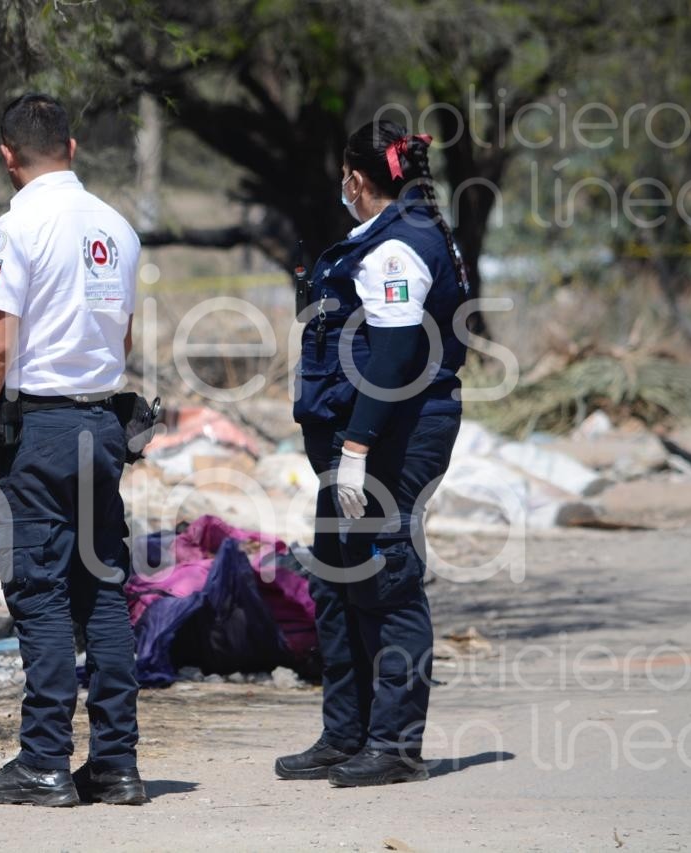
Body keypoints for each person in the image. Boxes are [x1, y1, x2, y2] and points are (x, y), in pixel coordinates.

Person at [0, 93, 146, 807]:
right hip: (103, 427)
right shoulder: (118, 227)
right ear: (73, 145)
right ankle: (118, 762)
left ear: (7, 155)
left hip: (42, 434)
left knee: (40, 591)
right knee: (102, 590)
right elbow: (120, 338)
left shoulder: (17, 223)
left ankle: (43, 762)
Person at [276, 119, 468, 787]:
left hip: (395, 432)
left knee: (387, 578)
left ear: (356, 178)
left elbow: (391, 354)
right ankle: (347, 731)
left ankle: (395, 743)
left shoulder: (400, 246)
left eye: (343, 175)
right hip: (360, 432)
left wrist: (356, 446)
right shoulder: (389, 235)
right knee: (337, 573)